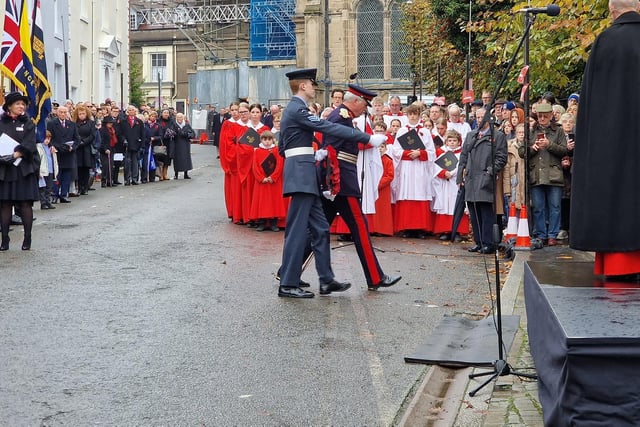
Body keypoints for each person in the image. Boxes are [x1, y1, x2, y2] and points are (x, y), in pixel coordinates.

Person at [277, 68, 388, 299]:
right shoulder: (297, 109)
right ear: (303, 86)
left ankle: (326, 280)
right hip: (301, 174)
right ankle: (287, 283)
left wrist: (309, 155)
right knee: (298, 230)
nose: (315, 87)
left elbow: (282, 147)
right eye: (312, 83)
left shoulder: (296, 110)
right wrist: (368, 138)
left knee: (321, 228)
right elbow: (327, 127)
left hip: (304, 172)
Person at [571, 0, 640, 279]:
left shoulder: (605, 42)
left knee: (616, 195)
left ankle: (618, 264)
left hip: (610, 141)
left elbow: (592, 105)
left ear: (613, 11)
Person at [320, 84, 401, 290]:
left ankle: (288, 272)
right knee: (360, 228)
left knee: (319, 230)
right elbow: (331, 151)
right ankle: (375, 277)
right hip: (342, 183)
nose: (365, 109)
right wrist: (333, 183)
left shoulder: (343, 117)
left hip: (339, 181)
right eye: (364, 105)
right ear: (355, 101)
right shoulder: (340, 118)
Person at [457, 108, 507, 254]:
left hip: (486, 178)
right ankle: (478, 242)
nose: (479, 120)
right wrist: (460, 176)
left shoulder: (497, 136)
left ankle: (488, 242)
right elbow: (463, 156)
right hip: (471, 178)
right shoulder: (471, 135)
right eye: (477, 117)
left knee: (486, 212)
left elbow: (501, 158)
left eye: (481, 117)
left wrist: (490, 172)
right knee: (473, 211)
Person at [519, 102, 568, 246]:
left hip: (553, 174)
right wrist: (532, 148)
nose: (542, 119)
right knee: (538, 207)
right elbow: (522, 152)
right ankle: (541, 234)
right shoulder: (531, 131)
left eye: (545, 116)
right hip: (536, 174)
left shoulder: (558, 131)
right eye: (539, 116)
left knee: (555, 207)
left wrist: (549, 145)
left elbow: (565, 150)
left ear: (551, 116)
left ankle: (552, 234)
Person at [0, 92, 40, 250]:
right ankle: (4, 240)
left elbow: (30, 144)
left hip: (23, 168)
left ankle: (27, 239)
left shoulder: (28, 123)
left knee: (25, 204)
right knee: (5, 205)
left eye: (23, 104)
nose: (21, 106)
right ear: (9, 106)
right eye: (17, 104)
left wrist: (15, 154)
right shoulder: (1, 122)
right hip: (5, 169)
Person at [391, 103, 436, 238]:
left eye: (415, 114)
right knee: (406, 193)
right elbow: (395, 150)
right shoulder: (402, 131)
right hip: (407, 167)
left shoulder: (426, 131)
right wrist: (407, 153)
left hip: (420, 167)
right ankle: (406, 227)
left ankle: (420, 228)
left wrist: (420, 154)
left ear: (418, 115)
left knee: (420, 193)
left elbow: (432, 152)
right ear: (407, 115)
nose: (412, 116)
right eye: (410, 114)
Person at [432, 130, 468, 241]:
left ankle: (457, 231)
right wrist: (443, 173)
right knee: (445, 205)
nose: (452, 143)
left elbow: (463, 165)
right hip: (444, 183)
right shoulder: (441, 152)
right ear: (446, 142)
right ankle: (445, 230)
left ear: (459, 142)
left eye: (454, 141)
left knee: (456, 205)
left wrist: (452, 173)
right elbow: (435, 166)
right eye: (450, 140)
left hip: (456, 183)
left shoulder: (462, 153)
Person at [250, 131, 285, 231]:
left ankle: (274, 223)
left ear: (272, 140)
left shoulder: (276, 150)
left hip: (273, 181)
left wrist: (273, 177)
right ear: (261, 140)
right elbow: (255, 166)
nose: (267, 142)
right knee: (262, 202)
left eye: (269, 139)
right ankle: (262, 223)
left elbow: (279, 165)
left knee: (274, 202)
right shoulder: (257, 151)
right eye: (265, 140)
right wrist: (261, 178)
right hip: (262, 182)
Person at [47, 105, 80, 203]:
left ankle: (64, 195)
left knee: (67, 175)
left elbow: (77, 138)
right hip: (57, 152)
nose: (63, 114)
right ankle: (55, 195)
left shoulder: (72, 124)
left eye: (65, 112)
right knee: (57, 175)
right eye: (61, 112)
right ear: (57, 113)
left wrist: (72, 147)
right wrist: (56, 146)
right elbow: (49, 138)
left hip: (69, 153)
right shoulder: (51, 123)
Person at [72, 103, 96, 195]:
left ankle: (85, 187)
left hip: (86, 147)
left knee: (85, 168)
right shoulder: (74, 124)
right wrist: (78, 142)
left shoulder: (91, 123)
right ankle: (79, 187)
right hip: (77, 148)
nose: (82, 115)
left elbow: (92, 135)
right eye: (80, 114)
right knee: (78, 168)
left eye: (83, 113)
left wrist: (84, 142)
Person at [119, 105, 145, 185]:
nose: (131, 112)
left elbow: (142, 134)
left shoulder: (139, 122)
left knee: (135, 163)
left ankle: (134, 178)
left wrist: (142, 145)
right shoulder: (123, 121)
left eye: (132, 110)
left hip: (136, 144)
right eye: (129, 110)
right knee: (127, 163)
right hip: (127, 145)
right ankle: (127, 179)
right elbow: (120, 133)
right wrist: (124, 140)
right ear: (127, 112)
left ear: (135, 111)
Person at [36, 130, 58, 209]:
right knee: (42, 188)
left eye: (49, 139)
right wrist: (39, 171)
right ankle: (43, 202)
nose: (47, 140)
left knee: (49, 187)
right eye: (45, 138)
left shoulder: (50, 147)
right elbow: (37, 160)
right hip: (43, 171)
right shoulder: (39, 147)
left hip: (50, 170)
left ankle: (48, 201)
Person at [172, 113, 195, 179]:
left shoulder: (187, 125)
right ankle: (176, 174)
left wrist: (187, 134)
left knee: (186, 159)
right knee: (177, 159)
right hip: (177, 144)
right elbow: (171, 133)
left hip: (185, 144)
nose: (179, 119)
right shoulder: (174, 125)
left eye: (181, 117)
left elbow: (193, 134)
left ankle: (186, 174)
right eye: (178, 117)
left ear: (183, 118)